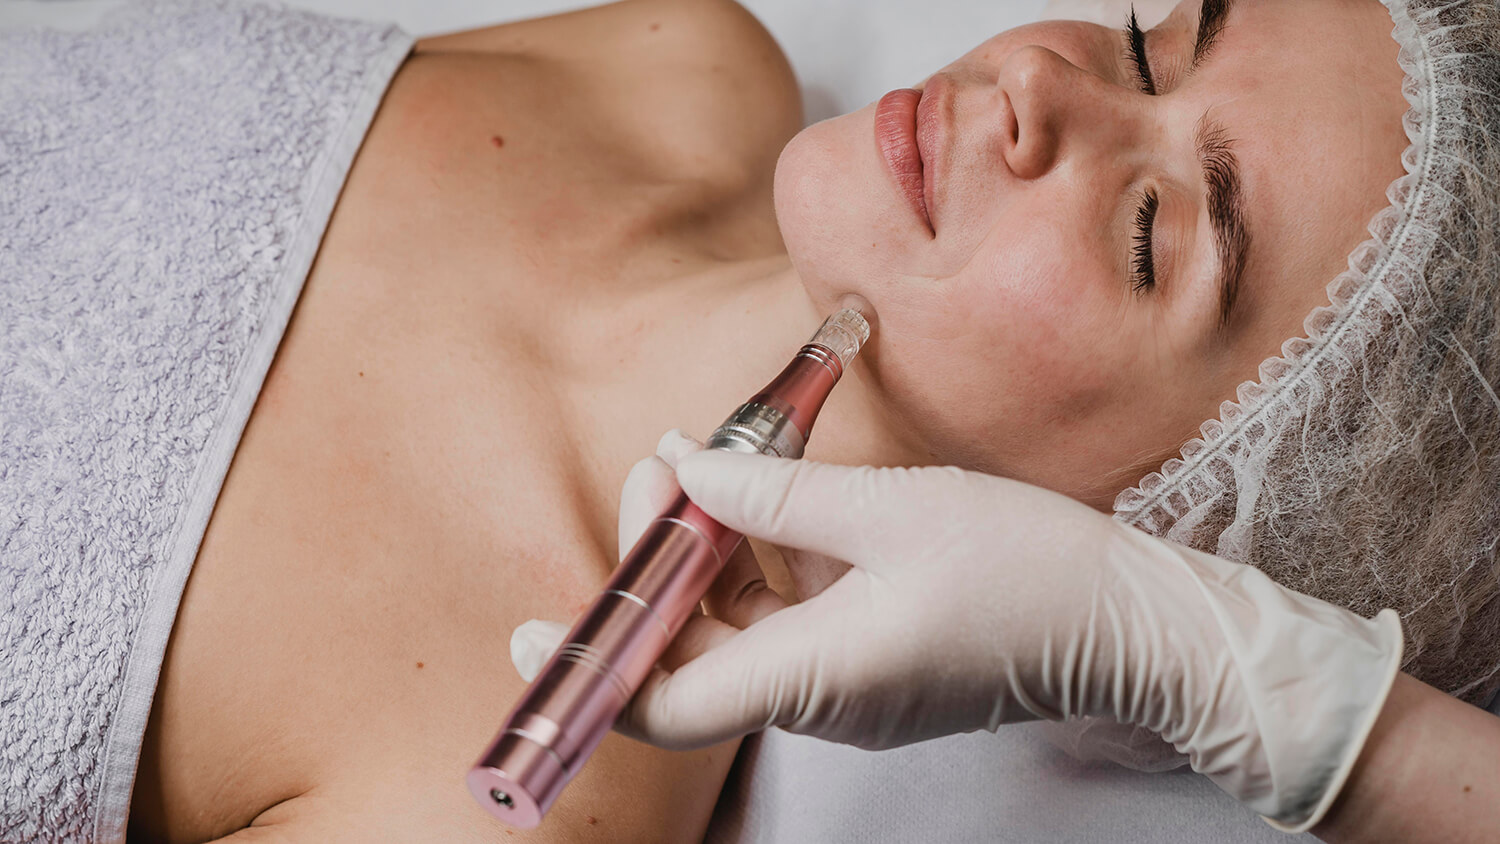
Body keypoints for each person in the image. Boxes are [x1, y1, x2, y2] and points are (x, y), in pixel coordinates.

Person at [0, 0, 1486, 842]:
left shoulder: (512, 795)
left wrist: (1316, 716)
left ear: (1176, 521)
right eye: (1160, 40)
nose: (1042, 80)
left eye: (1154, 230)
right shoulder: (685, 62)